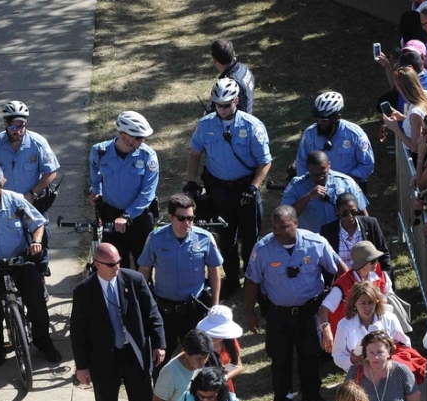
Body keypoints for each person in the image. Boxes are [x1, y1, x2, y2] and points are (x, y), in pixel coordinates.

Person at [246, 205, 348, 401]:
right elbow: (252, 280)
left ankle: (312, 398)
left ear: (295, 224)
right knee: (280, 361)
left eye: (283, 227)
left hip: (309, 311)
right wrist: (250, 312)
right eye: (274, 228)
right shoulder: (263, 249)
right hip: (278, 314)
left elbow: (340, 270)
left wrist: (345, 297)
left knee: (310, 357)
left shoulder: (316, 243)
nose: (278, 232)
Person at [70, 242, 165, 401]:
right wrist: (81, 367)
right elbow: (78, 331)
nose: (117, 267)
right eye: (111, 264)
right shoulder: (84, 291)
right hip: (104, 360)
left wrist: (159, 343)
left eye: (119, 262)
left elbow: (153, 313)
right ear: (97, 264)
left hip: (134, 354)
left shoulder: (134, 280)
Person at [0, 161, 62, 366]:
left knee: (37, 304)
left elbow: (38, 223)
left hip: (20, 261)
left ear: (2, 183)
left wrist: (36, 241)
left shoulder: (16, 200)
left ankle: (44, 343)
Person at [184, 79, 272, 297]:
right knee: (226, 237)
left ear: (237, 101)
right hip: (219, 189)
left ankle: (253, 280)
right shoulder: (205, 125)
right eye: (217, 104)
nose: (221, 109)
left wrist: (254, 187)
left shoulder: (252, 126)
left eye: (226, 104)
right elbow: (195, 154)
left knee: (251, 238)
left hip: (245, 189)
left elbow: (265, 161)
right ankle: (231, 279)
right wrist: (191, 181)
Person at [138, 194, 224, 367]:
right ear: (171, 217)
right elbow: (144, 271)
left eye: (191, 218)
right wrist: (142, 303)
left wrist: (214, 305)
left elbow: (214, 271)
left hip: (194, 311)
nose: (187, 223)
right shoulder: (155, 238)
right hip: (164, 312)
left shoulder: (205, 238)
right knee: (158, 361)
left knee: (200, 359)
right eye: (182, 218)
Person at [89, 111, 159, 269]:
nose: (143, 140)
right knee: (115, 264)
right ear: (124, 135)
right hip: (112, 215)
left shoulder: (148, 156)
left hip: (139, 216)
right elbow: (95, 175)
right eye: (139, 137)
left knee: (144, 264)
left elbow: (148, 192)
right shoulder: (100, 152)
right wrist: (96, 190)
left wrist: (127, 215)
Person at [320, 242, 395, 352]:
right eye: (372, 261)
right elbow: (324, 308)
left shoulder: (380, 274)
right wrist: (327, 332)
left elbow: (390, 296)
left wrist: (383, 300)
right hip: (353, 334)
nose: (377, 263)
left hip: (378, 326)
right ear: (362, 264)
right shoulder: (344, 282)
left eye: (377, 259)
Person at [292, 92, 374, 189]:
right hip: (316, 190)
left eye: (324, 120)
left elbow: (367, 165)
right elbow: (301, 162)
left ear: (337, 117)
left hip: (349, 190)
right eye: (317, 118)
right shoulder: (309, 134)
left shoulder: (355, 134)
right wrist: (307, 184)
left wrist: (343, 183)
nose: (320, 123)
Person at [331, 281, 412, 374]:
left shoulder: (389, 318)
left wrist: (388, 352)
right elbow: (338, 355)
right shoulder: (344, 325)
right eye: (362, 303)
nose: (367, 307)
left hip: (390, 373)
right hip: (360, 376)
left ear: (377, 302)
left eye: (371, 303)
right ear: (354, 303)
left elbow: (404, 345)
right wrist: (351, 360)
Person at [282, 152, 369, 234]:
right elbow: (285, 216)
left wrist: (367, 232)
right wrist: (308, 197)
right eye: (315, 174)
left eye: (323, 173)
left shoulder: (346, 182)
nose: (320, 177)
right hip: (312, 242)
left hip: (341, 240)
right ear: (308, 168)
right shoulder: (296, 186)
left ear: (329, 165)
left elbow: (362, 211)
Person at [319, 194, 391, 274]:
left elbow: (383, 253)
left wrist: (386, 278)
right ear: (337, 210)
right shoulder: (327, 231)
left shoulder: (371, 224)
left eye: (353, 212)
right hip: (343, 280)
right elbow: (325, 263)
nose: (350, 216)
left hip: (370, 278)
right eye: (345, 212)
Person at [381, 67, 427, 152]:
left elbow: (415, 148)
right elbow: (421, 123)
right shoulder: (425, 94)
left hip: (416, 158)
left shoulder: (415, 113)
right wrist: (403, 117)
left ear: (400, 87)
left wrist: (395, 129)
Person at [198, 306, 244, 393]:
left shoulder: (230, 339)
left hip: (226, 389)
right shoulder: (197, 344)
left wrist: (223, 375)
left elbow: (238, 365)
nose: (220, 338)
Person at [210, 40, 256, 114]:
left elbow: (239, 115)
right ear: (233, 54)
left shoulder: (231, 84)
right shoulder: (243, 69)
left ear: (214, 60)